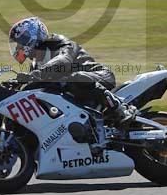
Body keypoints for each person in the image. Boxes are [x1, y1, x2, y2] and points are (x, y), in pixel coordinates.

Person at [8, 16, 137, 125]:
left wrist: (35, 75)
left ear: (32, 37)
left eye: (20, 43)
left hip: (99, 76)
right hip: (79, 91)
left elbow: (63, 62)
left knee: (75, 77)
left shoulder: (63, 44)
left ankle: (119, 108)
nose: (18, 48)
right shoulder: (36, 64)